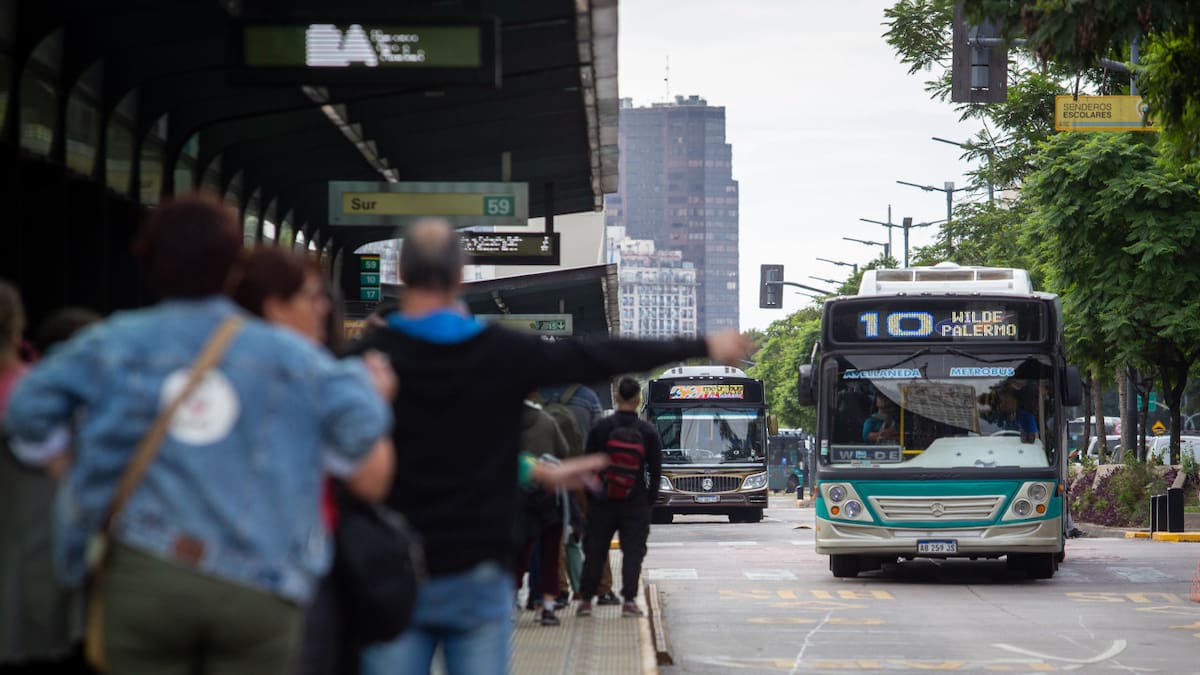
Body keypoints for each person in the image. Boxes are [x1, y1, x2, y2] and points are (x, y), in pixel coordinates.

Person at [4, 193, 396, 675]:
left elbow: (27, 410)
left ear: (148, 261)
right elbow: (360, 425)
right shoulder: (291, 358)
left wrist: (65, 460)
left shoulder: (113, 342)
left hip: (143, 571)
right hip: (261, 581)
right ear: (233, 269)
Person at [350, 218, 751, 675]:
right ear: (460, 275)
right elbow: (599, 355)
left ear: (401, 272)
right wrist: (703, 343)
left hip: (392, 568)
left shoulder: (367, 359)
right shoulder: (501, 351)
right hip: (477, 567)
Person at [575, 377, 663, 618]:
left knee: (596, 550)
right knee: (633, 552)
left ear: (616, 397)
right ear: (638, 399)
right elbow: (656, 472)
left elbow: (588, 465)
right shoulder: (647, 431)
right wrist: (647, 502)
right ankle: (629, 602)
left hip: (603, 501)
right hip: (635, 501)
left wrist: (594, 496)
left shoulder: (602, 428)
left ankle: (586, 601)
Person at [512, 394, 571, 626]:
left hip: (517, 500)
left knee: (516, 556)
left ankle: (510, 606)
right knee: (549, 556)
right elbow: (564, 450)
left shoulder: (505, 422)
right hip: (547, 498)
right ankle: (545, 608)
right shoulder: (548, 420)